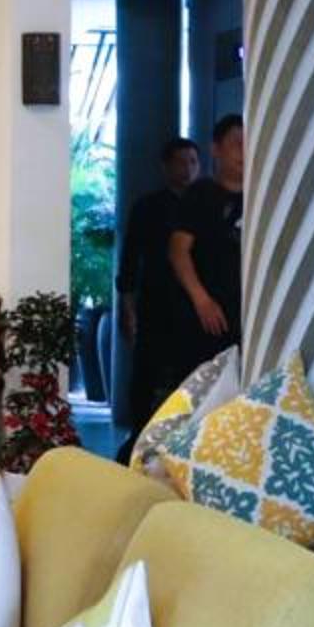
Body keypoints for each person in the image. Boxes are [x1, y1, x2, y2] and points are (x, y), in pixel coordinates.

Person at [112, 137, 203, 450]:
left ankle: (184, 442)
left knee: (189, 373)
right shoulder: (148, 207)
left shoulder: (206, 205)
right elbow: (130, 259)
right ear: (166, 166)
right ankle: (138, 437)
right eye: (180, 162)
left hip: (194, 306)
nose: (187, 169)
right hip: (155, 301)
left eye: (193, 162)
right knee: (145, 374)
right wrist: (127, 305)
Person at [170, 114, 246, 349]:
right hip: (209, 314)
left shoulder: (261, 197)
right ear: (216, 149)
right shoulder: (200, 194)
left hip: (249, 313)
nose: (244, 151)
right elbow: (178, 251)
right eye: (237, 143)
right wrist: (201, 299)